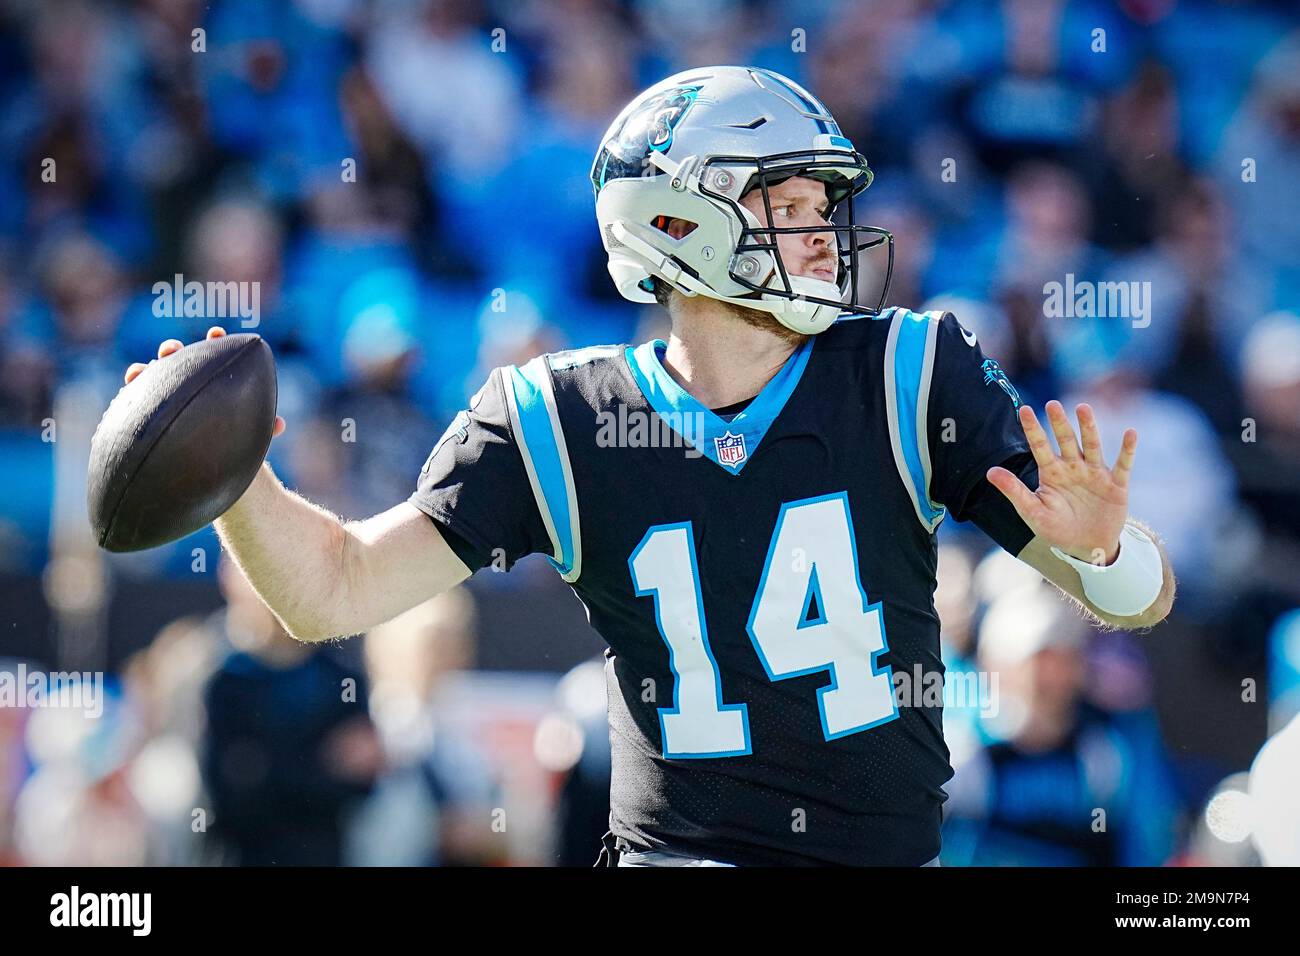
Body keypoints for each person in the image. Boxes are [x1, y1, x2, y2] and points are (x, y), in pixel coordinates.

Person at [123, 66, 1176, 867]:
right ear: (676, 222)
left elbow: (1138, 602)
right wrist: (233, 475)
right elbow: (331, 589)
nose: (824, 234)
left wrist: (1103, 555)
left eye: (824, 208)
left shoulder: (906, 371)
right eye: (791, 206)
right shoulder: (556, 418)